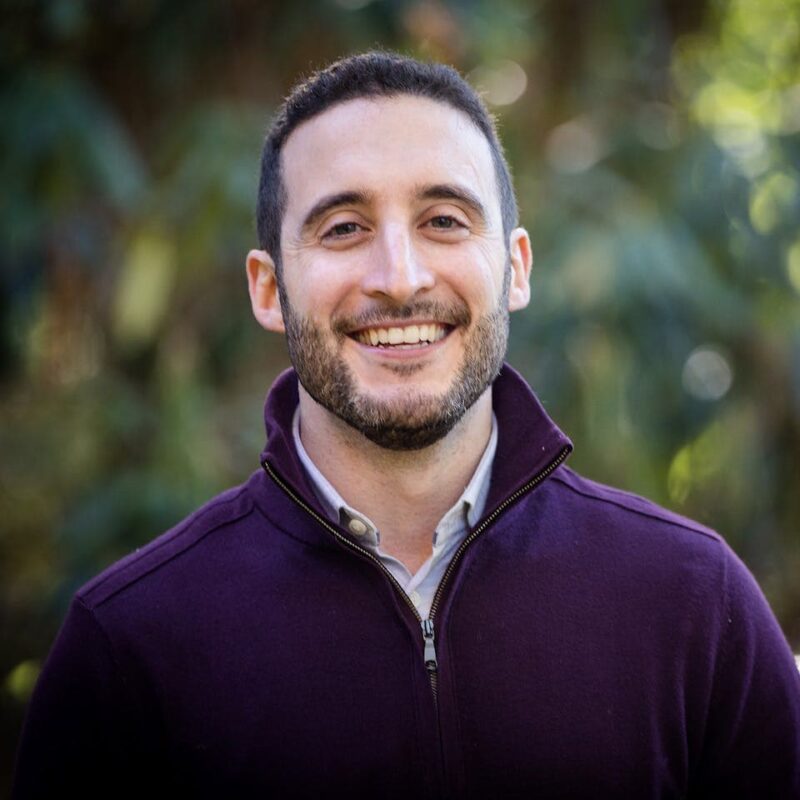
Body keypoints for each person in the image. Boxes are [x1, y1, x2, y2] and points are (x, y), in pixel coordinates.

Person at [13, 51, 800, 799]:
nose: (400, 278)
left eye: (446, 220)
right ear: (267, 286)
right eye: (344, 228)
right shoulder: (130, 647)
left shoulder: (695, 605)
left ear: (516, 267)